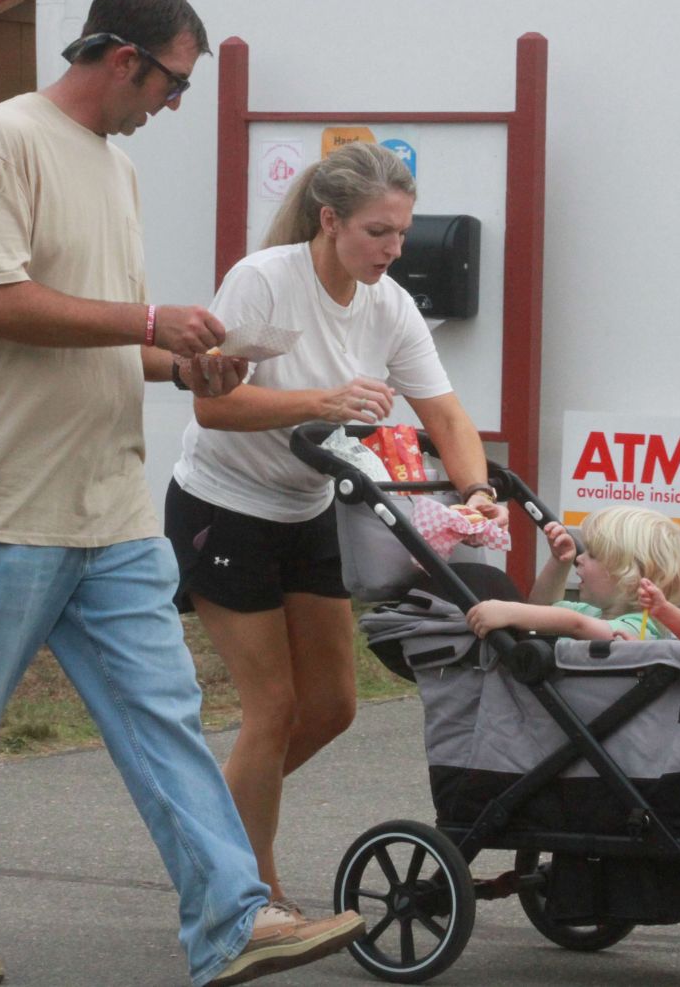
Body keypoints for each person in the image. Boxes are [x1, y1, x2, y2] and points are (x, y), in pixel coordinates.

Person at [0, 0, 362, 987]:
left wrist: (186, 361)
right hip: (8, 495)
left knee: (166, 713)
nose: (174, 103)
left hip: (106, 499)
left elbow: (105, 337)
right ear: (119, 58)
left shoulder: (117, 171)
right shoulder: (2, 136)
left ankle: (233, 914)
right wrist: (149, 325)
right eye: (172, 81)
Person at [165, 141, 509, 918]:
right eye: (378, 232)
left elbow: (445, 412)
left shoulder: (388, 303)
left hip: (308, 506)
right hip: (223, 507)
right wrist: (320, 402)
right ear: (330, 220)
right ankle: (252, 893)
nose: (394, 249)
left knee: (332, 705)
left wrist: (479, 489)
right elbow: (212, 404)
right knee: (274, 705)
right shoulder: (265, 281)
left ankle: (208, 831)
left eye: (401, 233)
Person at [463, 506, 680, 642]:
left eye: (591, 554)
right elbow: (543, 607)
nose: (580, 558)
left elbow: (577, 625)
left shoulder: (642, 628)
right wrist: (560, 562)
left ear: (628, 576)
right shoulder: (593, 613)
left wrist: (510, 611)